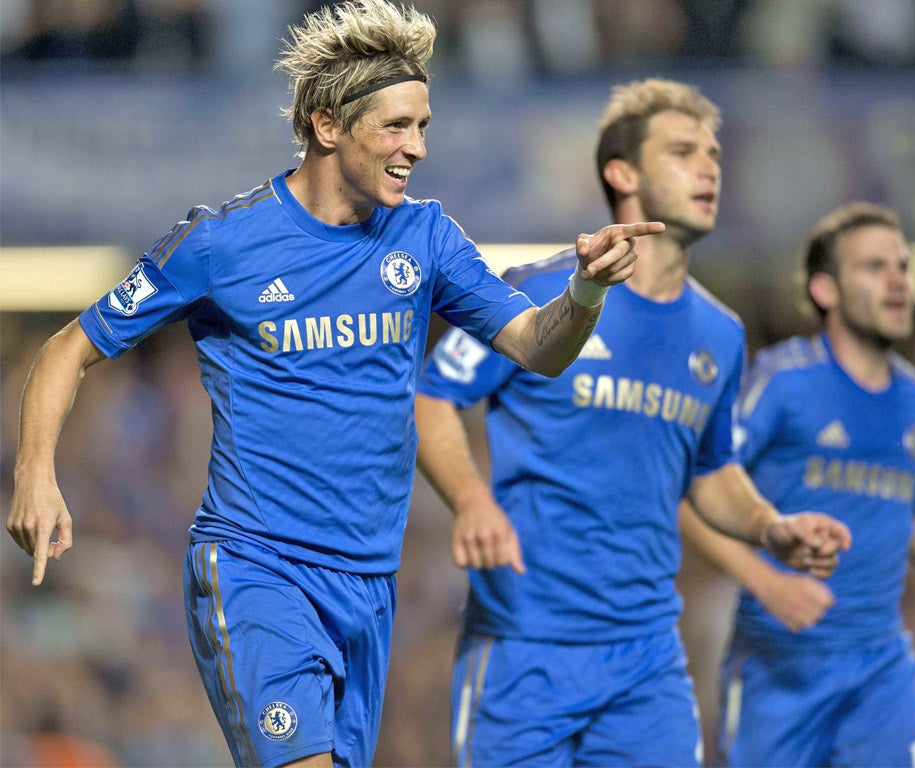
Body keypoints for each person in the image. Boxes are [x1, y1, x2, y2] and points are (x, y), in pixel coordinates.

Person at [4, 2, 665, 766]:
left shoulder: (427, 237)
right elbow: (65, 349)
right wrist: (35, 474)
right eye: (396, 126)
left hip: (368, 586)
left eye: (423, 126)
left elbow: (536, 348)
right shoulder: (223, 243)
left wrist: (584, 291)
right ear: (326, 126)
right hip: (256, 567)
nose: (415, 147)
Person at [414, 78, 852, 768]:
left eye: (712, 153)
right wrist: (471, 501)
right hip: (526, 644)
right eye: (682, 152)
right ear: (623, 173)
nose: (709, 166)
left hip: (647, 661)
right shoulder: (536, 291)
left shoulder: (720, 334)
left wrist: (773, 527)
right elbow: (433, 395)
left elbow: (710, 475)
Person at [679, 201, 915, 767]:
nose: (897, 281)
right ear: (825, 290)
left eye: (902, 266)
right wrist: (767, 585)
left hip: (880, 671)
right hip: (780, 666)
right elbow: (697, 488)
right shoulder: (782, 383)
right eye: (873, 267)